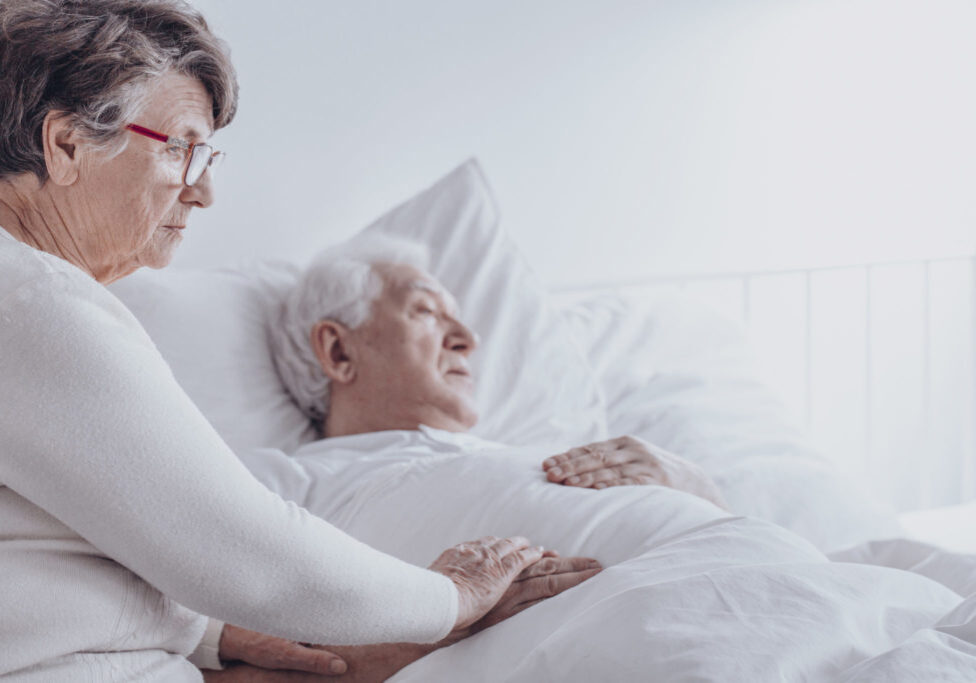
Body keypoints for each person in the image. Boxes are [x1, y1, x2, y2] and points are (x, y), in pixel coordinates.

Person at [0, 2, 596, 681]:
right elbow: (242, 553)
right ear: (67, 145)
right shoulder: (34, 304)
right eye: (181, 149)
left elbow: (36, 548)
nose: (205, 192)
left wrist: (207, 635)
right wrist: (451, 598)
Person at [270, 235, 728, 509]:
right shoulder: (289, 487)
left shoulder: (531, 459)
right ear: (338, 351)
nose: (469, 339)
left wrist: (697, 489)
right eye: (426, 310)